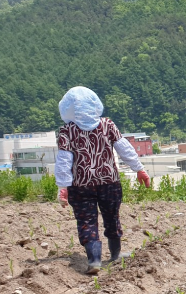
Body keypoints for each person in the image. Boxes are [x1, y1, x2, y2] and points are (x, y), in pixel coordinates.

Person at [55, 86, 150, 273]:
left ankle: (94, 260)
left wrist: (63, 186)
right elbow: (124, 148)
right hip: (109, 182)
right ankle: (115, 254)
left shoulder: (66, 131)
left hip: (80, 185)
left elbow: (64, 160)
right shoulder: (107, 125)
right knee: (112, 217)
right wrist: (139, 169)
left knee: (86, 220)